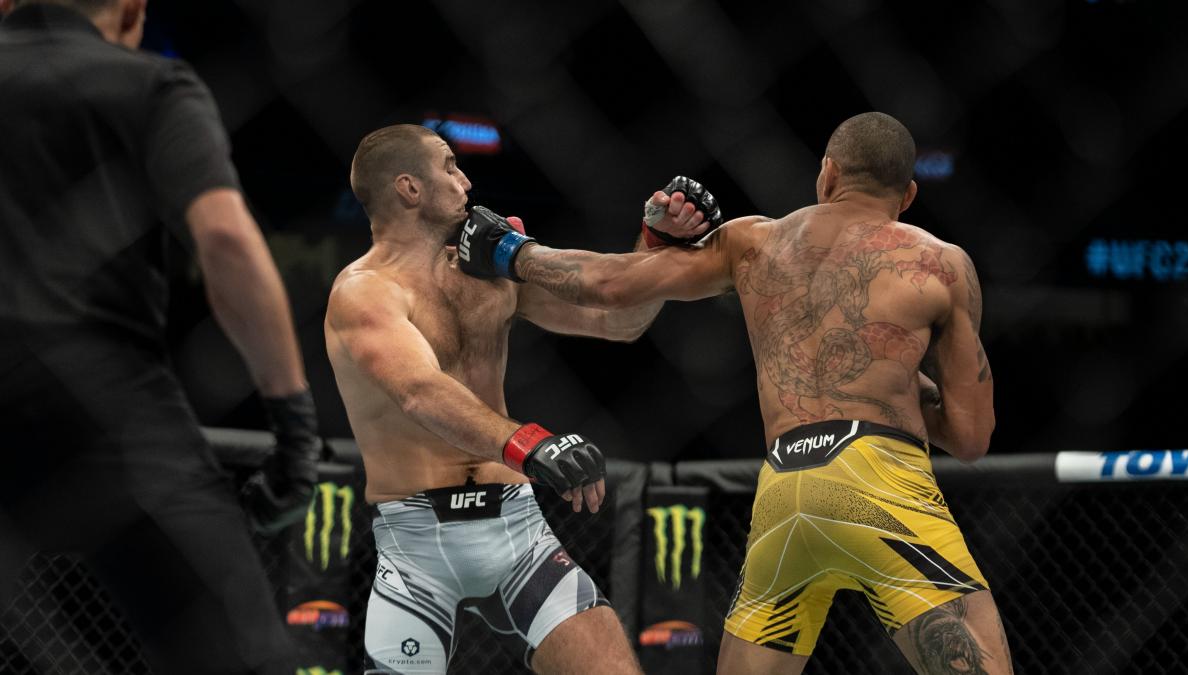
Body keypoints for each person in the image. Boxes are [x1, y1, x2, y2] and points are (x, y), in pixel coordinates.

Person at [459, 112, 1014, 674]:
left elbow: (612, 285)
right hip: (880, 481)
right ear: (909, 193)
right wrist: (890, 375)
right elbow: (970, 437)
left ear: (826, 175)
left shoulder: (754, 239)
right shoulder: (940, 264)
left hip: (784, 489)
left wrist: (509, 251)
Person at [0, 1, 321, 673]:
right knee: (241, 653)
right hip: (108, 405)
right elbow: (228, 239)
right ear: (132, 13)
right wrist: (292, 423)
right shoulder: (149, 84)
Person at [324, 123, 710, 673]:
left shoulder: (489, 272)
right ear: (409, 188)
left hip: (516, 530)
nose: (466, 179)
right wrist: (529, 444)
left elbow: (616, 321)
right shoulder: (363, 291)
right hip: (417, 546)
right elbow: (419, 391)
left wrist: (657, 247)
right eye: (450, 166)